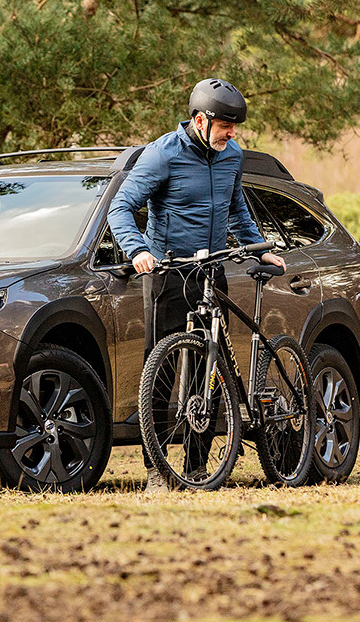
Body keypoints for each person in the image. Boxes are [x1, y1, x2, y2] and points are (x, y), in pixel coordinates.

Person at [108, 77, 284, 491]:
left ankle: (199, 466)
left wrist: (258, 247)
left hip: (212, 270)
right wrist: (137, 251)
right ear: (201, 120)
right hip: (168, 272)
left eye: (234, 126)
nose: (232, 133)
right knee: (162, 373)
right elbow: (121, 207)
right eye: (225, 125)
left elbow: (236, 209)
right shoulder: (161, 156)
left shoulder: (231, 155)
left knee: (209, 369)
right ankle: (157, 470)